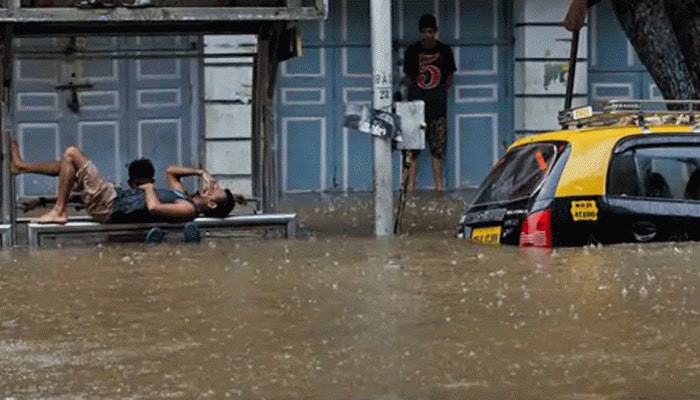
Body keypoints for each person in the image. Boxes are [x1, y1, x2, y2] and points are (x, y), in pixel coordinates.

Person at [11, 140, 246, 224]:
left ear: (212, 205)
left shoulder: (188, 209)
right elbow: (171, 171)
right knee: (69, 163)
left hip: (110, 205)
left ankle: (59, 211)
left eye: (213, 192)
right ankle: (22, 167)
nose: (210, 188)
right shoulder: (184, 196)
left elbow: (154, 207)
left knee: (72, 153)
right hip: (112, 199)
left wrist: (148, 187)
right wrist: (200, 172)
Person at [402, 13, 456, 192]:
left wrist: (435, 93)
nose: (427, 35)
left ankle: (438, 188)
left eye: (430, 32)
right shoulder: (412, 51)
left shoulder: (445, 52)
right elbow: (408, 78)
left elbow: (449, 79)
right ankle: (410, 189)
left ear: (435, 32)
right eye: (424, 32)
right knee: (412, 149)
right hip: (415, 108)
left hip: (437, 108)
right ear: (420, 33)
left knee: (437, 150)